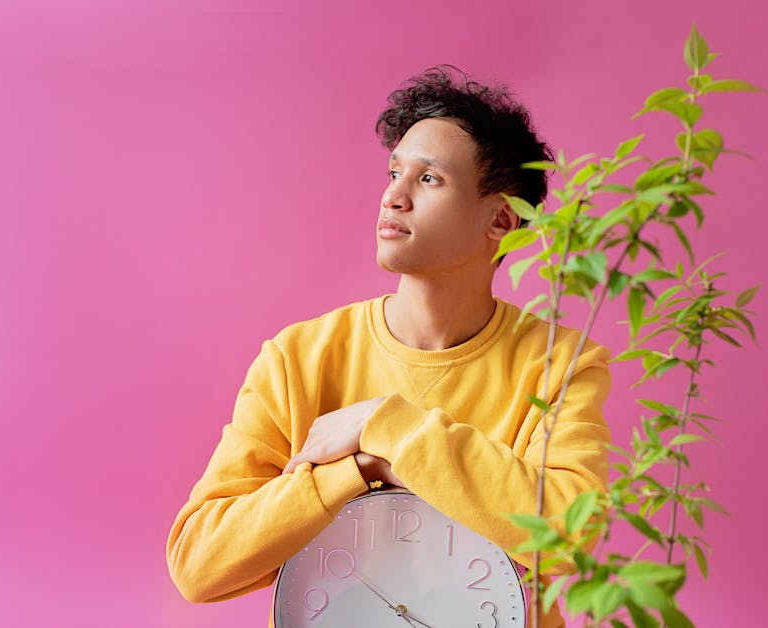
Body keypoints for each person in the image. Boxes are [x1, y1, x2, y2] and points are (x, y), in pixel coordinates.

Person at [166, 66, 612, 628]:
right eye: (395, 171)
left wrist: (387, 422)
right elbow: (198, 564)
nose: (392, 197)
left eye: (429, 180)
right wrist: (362, 465)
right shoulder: (298, 358)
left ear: (499, 219)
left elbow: (572, 534)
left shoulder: (560, 363)